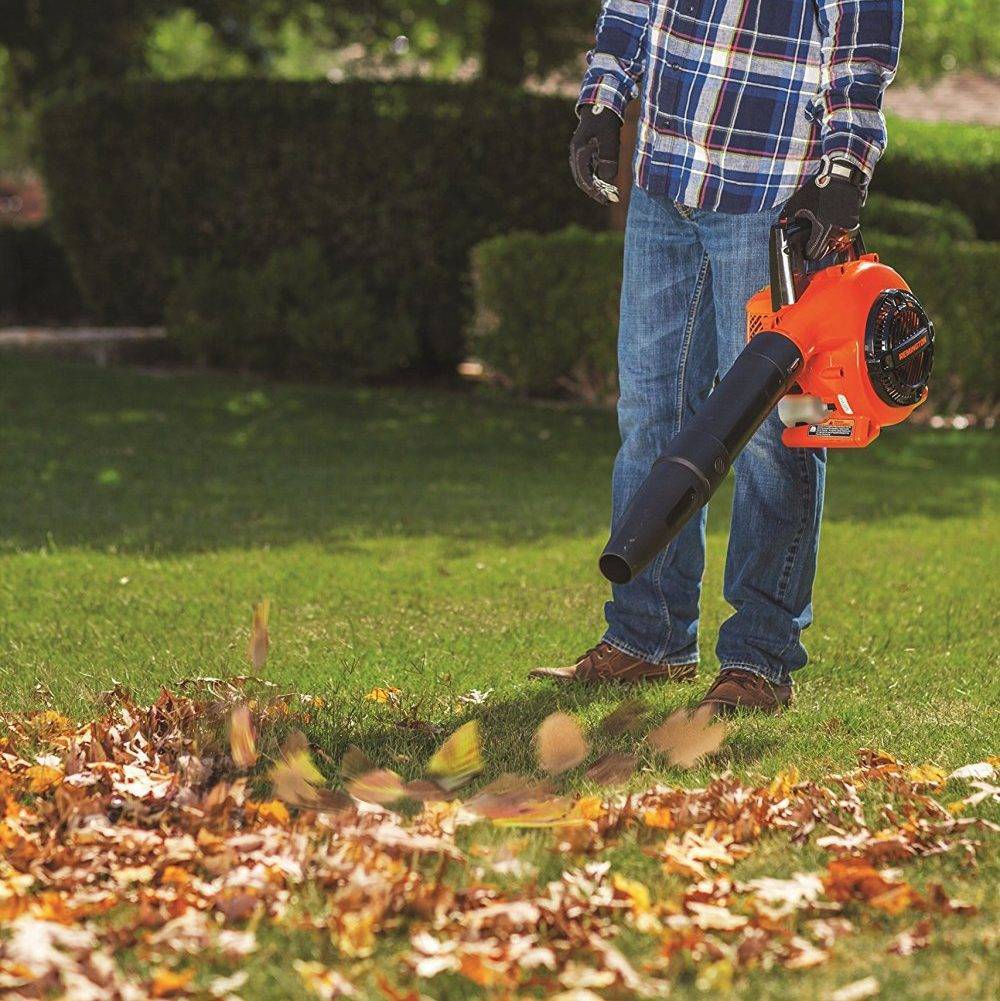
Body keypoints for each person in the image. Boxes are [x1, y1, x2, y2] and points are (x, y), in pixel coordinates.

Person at [530, 0, 902, 714]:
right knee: (650, 416)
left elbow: (862, 36)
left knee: (775, 430)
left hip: (772, 192)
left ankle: (759, 659)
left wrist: (846, 168)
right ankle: (648, 639)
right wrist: (602, 102)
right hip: (664, 179)